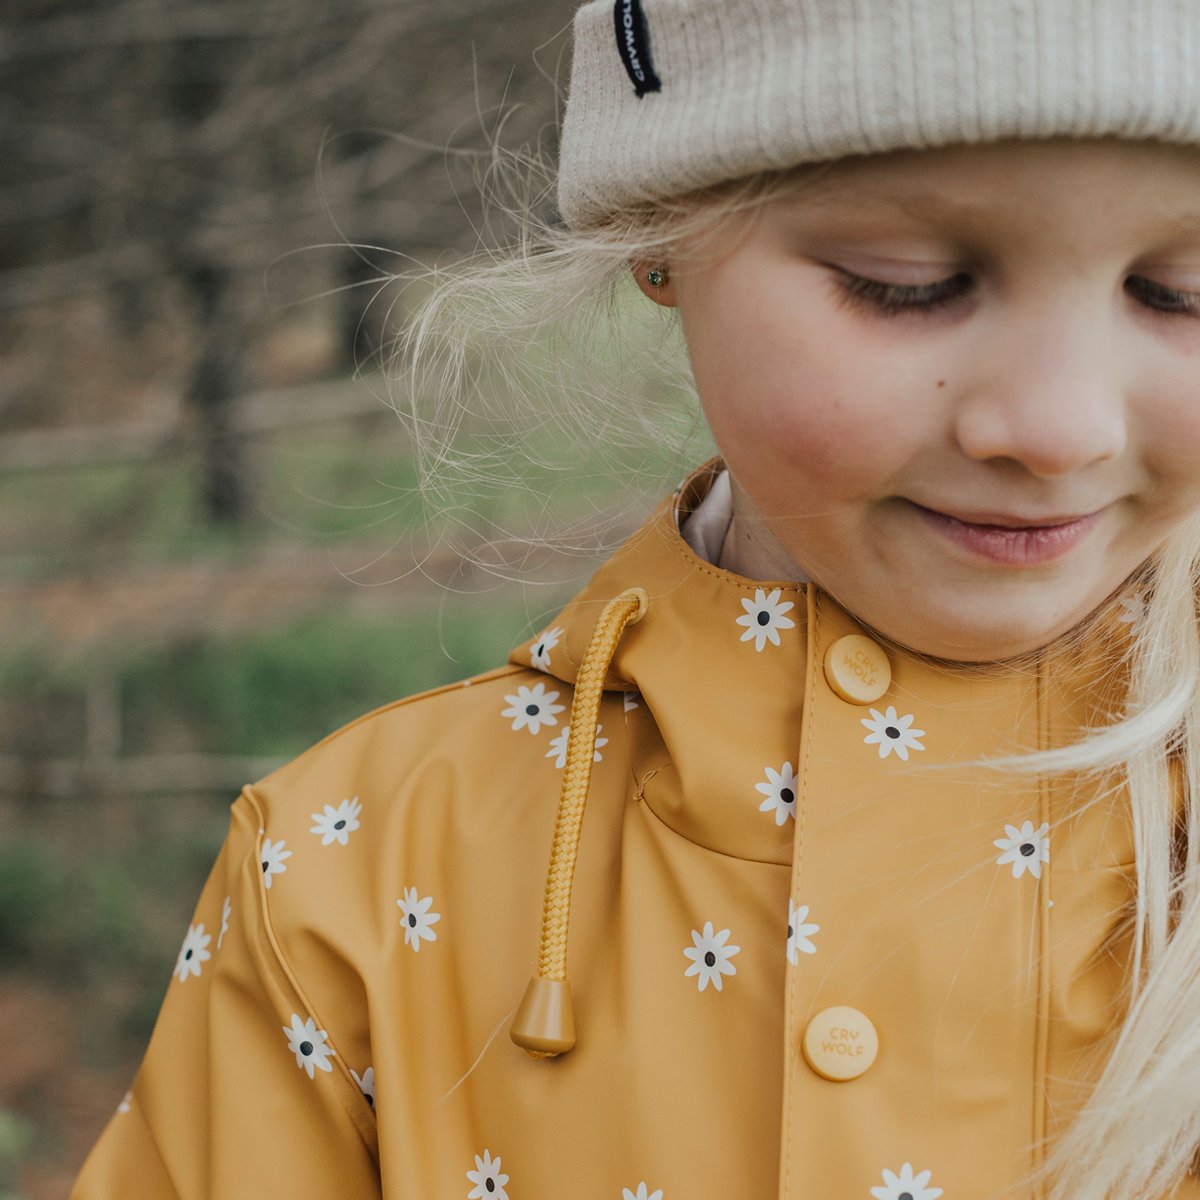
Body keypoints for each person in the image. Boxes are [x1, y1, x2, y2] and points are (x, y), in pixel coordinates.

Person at [73, 1, 1200, 1197]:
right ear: (662, 240)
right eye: (907, 285)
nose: (1058, 429)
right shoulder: (352, 874)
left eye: (1181, 292)